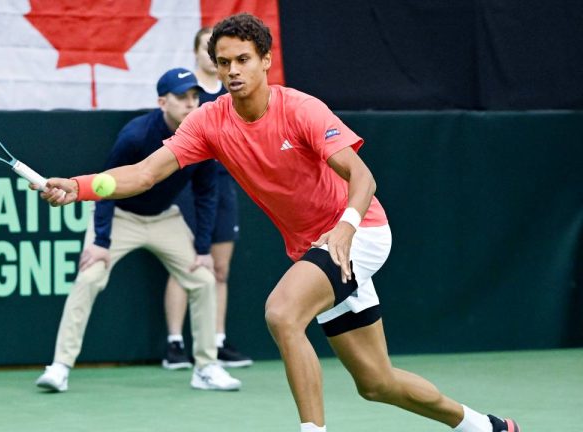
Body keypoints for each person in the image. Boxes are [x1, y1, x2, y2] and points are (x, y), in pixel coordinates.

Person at [34, 13, 520, 432]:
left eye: (243, 59)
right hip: (315, 247)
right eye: (223, 62)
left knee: (283, 313)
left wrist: (346, 227)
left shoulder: (301, 110)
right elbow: (142, 175)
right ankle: (488, 426)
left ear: (265, 60)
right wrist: (77, 186)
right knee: (377, 383)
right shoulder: (208, 121)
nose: (232, 70)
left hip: (361, 231)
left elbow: (362, 177)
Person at [34, 67, 241, 392]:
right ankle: (60, 367)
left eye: (194, 96)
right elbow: (105, 185)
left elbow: (206, 195)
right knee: (89, 277)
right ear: (162, 102)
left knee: (203, 279)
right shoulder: (135, 135)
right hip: (121, 218)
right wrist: (101, 241)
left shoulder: (204, 139)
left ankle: (206, 368)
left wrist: (202, 250)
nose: (190, 104)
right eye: (181, 97)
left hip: (164, 218)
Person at [161, 27, 252, 370]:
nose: (214, 55)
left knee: (219, 268)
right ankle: (175, 344)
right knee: (185, 262)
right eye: (208, 48)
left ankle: (216, 341)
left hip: (224, 183)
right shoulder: (187, 91)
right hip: (187, 183)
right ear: (198, 52)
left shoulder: (234, 89)